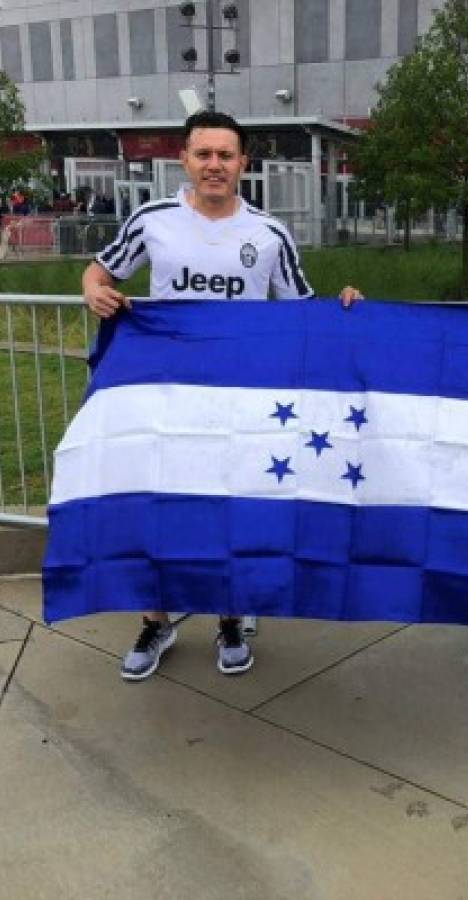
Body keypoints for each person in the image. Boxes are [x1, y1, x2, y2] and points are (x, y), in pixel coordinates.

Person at [82, 110, 362, 681]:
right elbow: (99, 272)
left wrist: (347, 307)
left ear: (243, 163)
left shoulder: (268, 233)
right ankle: (156, 619)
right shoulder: (151, 219)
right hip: (169, 396)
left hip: (244, 400)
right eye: (203, 154)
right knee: (163, 507)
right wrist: (94, 292)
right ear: (184, 159)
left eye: (225, 155)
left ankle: (231, 617)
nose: (214, 165)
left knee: (236, 508)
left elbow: (301, 308)